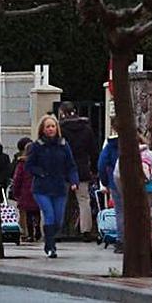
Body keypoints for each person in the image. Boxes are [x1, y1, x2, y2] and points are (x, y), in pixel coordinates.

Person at [26, 114, 80, 258]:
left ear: (57, 128)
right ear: (43, 129)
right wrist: (40, 173)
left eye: (53, 126)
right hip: (42, 188)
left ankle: (50, 238)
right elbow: (29, 165)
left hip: (59, 187)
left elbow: (71, 165)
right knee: (49, 215)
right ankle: (51, 246)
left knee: (58, 219)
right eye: (48, 126)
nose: (50, 129)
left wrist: (74, 181)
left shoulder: (63, 145)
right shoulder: (37, 146)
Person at [58, 101, 97, 240]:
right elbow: (93, 150)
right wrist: (93, 168)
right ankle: (85, 230)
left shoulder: (60, 129)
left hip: (63, 168)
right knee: (84, 199)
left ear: (62, 112)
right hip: (81, 167)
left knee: (61, 199)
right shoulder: (86, 129)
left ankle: (59, 230)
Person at [97, 128, 124, 253]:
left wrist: (105, 182)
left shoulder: (110, 146)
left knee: (120, 212)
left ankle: (121, 240)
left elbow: (101, 164)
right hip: (135, 183)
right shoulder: (136, 143)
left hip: (115, 182)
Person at [10, 137, 41, 243]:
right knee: (37, 212)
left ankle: (30, 234)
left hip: (26, 193)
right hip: (38, 192)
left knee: (28, 214)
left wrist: (16, 192)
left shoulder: (22, 164)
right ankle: (37, 228)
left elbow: (17, 179)